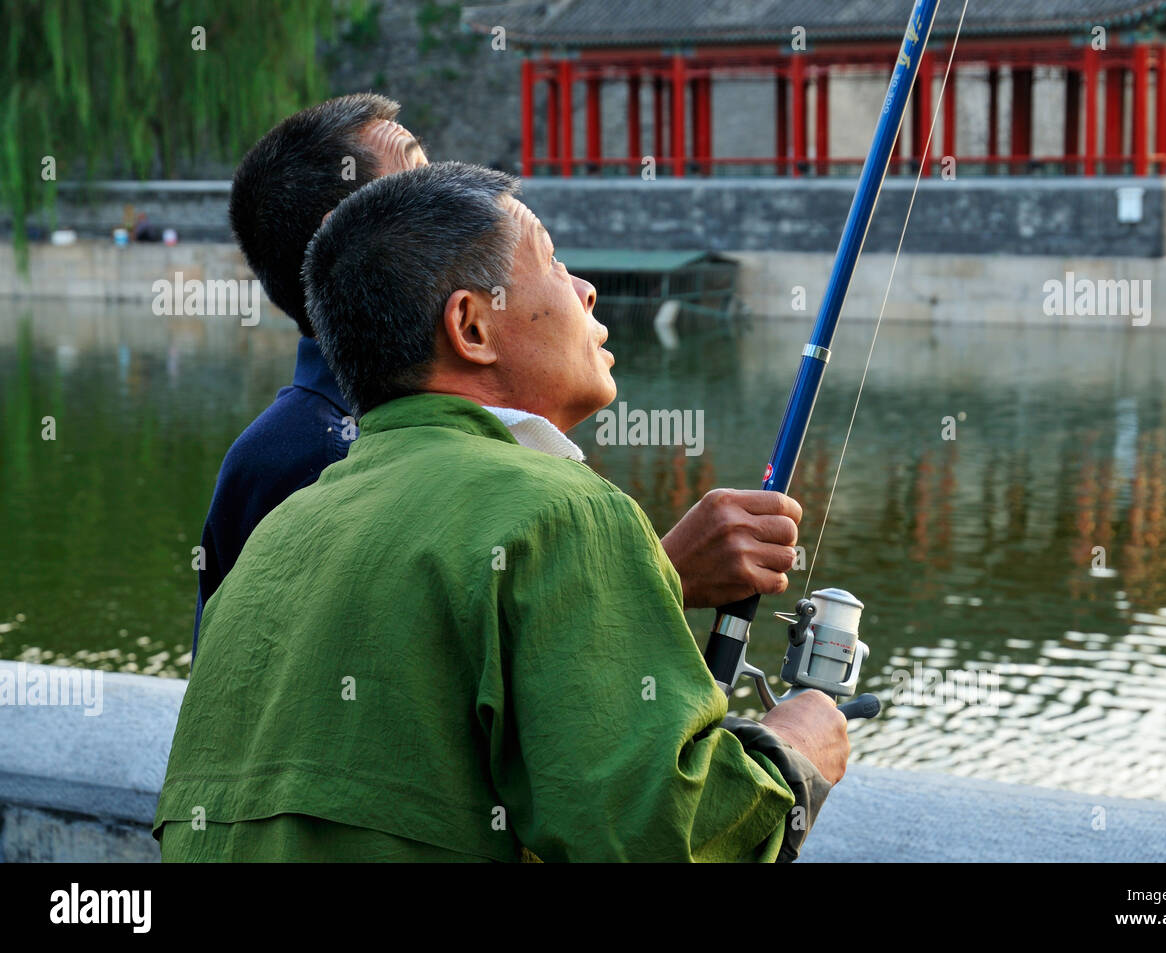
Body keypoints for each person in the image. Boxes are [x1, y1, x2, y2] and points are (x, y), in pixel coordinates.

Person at [154, 162, 850, 862]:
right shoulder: (561, 509)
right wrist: (793, 750)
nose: (586, 288)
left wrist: (652, 576)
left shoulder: (279, 534)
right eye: (552, 260)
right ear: (471, 325)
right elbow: (652, 836)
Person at [194, 93, 805, 663]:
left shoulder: (405, 440)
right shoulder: (320, 458)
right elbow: (390, 698)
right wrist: (659, 576)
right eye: (417, 179)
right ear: (349, 229)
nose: (448, 192)